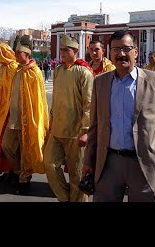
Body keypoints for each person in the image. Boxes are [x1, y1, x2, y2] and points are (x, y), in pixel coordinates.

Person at [82, 30, 155, 202]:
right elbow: (95, 125)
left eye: (126, 49)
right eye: (116, 49)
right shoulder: (100, 83)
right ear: (110, 53)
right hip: (108, 163)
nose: (121, 54)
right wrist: (88, 160)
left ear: (136, 52)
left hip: (144, 164)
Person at [44, 35, 94, 202]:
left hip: (76, 132)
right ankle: (65, 198)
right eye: (61, 50)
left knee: (77, 175)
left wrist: (85, 130)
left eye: (66, 50)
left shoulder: (84, 72)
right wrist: (51, 122)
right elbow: (56, 100)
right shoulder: (58, 70)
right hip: (57, 130)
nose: (62, 53)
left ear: (76, 51)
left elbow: (89, 104)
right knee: (50, 165)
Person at [0, 36, 50, 194]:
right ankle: (17, 172)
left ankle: (24, 179)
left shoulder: (34, 73)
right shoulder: (17, 71)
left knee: (27, 150)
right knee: (7, 145)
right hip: (13, 118)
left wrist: (34, 120)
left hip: (27, 119)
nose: (15, 55)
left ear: (27, 54)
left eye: (18, 53)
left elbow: (38, 101)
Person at [0, 42, 19, 182]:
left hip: (12, 113)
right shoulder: (2, 69)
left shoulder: (14, 68)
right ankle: (9, 169)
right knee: (2, 143)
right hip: (2, 112)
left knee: (8, 144)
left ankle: (17, 172)